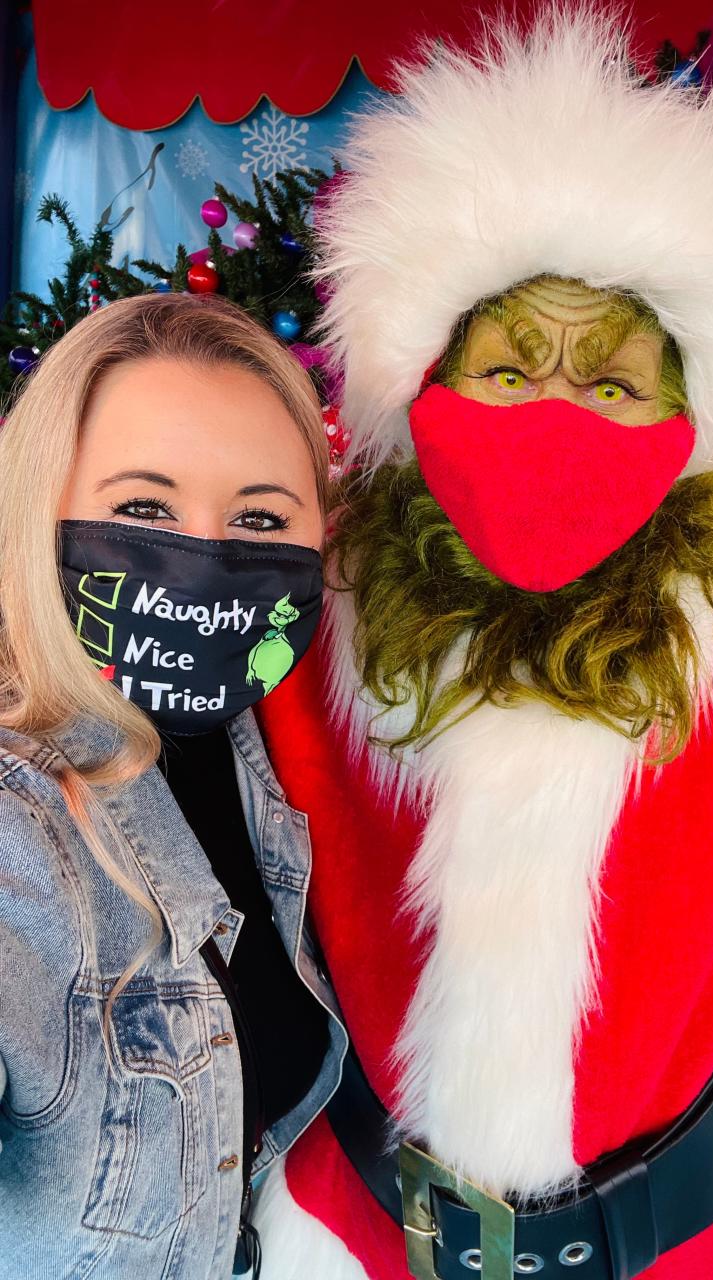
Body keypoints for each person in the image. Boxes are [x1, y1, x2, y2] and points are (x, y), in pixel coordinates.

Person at [251, 13, 713, 1280]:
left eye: (614, 380)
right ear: (429, 378)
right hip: (354, 1225)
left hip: (673, 1232)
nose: (557, 416)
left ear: (692, 409)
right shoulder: (326, 566)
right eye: (511, 370)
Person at [0, 292, 344, 1279]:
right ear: (41, 504)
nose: (203, 556)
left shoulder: (260, 735)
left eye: (260, 515)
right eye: (143, 509)